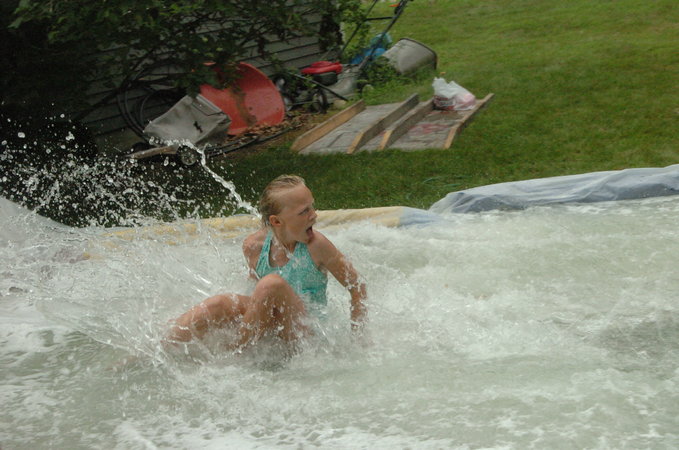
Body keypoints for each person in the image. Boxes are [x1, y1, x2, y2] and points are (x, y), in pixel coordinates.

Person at [165, 174, 367, 349]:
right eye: (304, 211)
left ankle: (238, 353)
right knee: (219, 304)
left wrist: (359, 338)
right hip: (273, 325)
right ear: (276, 221)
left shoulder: (317, 246)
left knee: (271, 284)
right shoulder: (254, 246)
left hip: (307, 332)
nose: (314, 215)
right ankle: (164, 347)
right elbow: (255, 295)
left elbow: (358, 286)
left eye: (311, 206)